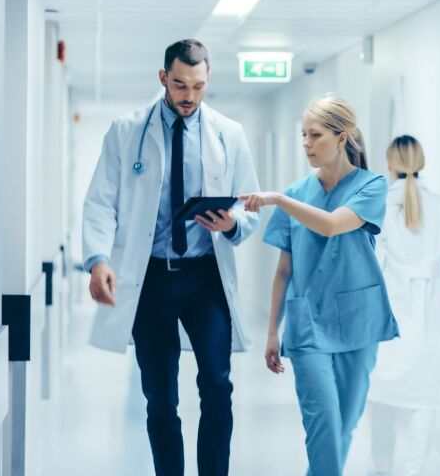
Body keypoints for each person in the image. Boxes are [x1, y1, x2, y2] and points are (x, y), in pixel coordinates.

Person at [82, 39, 260, 476]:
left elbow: (249, 205)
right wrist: (99, 258)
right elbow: (101, 202)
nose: (189, 96)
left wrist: (232, 224)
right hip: (151, 280)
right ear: (163, 78)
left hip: (205, 278)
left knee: (217, 385)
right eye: (180, 85)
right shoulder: (127, 132)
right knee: (160, 398)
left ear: (207, 80)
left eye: (198, 86)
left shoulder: (228, 134)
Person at [240, 96, 399, 476]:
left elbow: (330, 224)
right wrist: (271, 333)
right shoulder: (296, 194)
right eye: (303, 136)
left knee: (344, 426)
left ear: (342, 138)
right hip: (308, 322)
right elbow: (283, 271)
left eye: (315, 135)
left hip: (359, 322)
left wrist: (277, 199)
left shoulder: (372, 185)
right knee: (323, 426)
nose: (307, 144)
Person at [366, 135, 440, 476]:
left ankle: (382, 467)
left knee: (382, 390)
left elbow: (372, 264)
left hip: (391, 309)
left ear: (390, 163)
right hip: (434, 307)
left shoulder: (379, 204)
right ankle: (413, 469)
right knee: (427, 394)